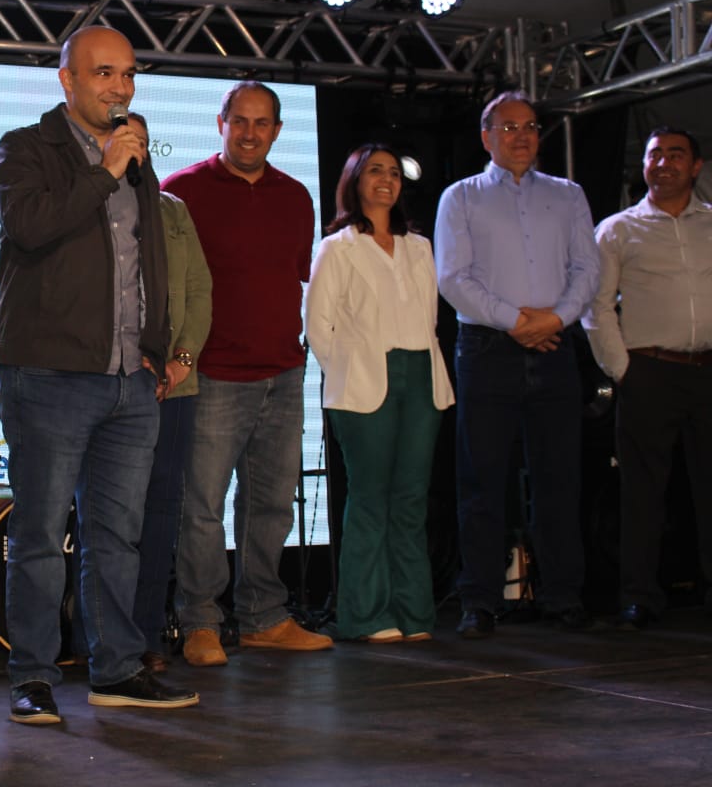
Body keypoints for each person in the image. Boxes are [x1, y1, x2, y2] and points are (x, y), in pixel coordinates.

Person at [0, 26, 198, 725]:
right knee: (41, 535)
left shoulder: (135, 156)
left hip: (129, 378)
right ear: (68, 80)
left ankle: (117, 669)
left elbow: (149, 259)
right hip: (49, 374)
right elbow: (30, 226)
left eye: (129, 74)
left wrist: (158, 346)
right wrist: (105, 171)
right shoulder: (26, 149)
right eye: (104, 73)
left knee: (118, 538)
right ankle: (32, 677)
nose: (120, 87)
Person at [163, 81, 334, 667]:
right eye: (240, 121)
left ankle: (263, 617)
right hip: (213, 375)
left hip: (282, 374)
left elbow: (293, 278)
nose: (250, 133)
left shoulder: (296, 196)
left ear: (278, 131)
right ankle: (200, 621)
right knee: (201, 508)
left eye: (262, 123)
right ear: (221, 123)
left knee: (272, 506)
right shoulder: (181, 191)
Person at [435, 90, 600, 639]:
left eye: (529, 126)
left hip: (555, 349)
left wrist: (555, 320)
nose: (521, 136)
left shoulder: (568, 194)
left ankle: (563, 596)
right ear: (486, 137)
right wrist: (516, 321)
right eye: (508, 127)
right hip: (487, 351)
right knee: (482, 481)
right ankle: (479, 600)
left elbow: (587, 269)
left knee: (559, 479)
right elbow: (453, 278)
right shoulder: (461, 197)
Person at [304, 144, 454, 643]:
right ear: (355, 180)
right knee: (370, 498)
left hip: (422, 376)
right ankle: (367, 614)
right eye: (375, 171)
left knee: (410, 499)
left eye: (393, 172)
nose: (386, 179)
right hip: (365, 381)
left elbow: (431, 318)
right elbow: (318, 325)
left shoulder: (420, 247)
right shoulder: (337, 247)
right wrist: (350, 371)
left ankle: (414, 613)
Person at [583, 127, 712, 630]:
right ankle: (640, 596)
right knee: (642, 491)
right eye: (655, 155)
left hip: (708, 369)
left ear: (695, 166)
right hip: (649, 371)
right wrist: (623, 369)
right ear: (644, 166)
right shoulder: (618, 229)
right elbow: (596, 306)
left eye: (676, 155)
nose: (664, 163)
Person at [125, 113, 212, 672]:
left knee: (161, 512)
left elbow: (200, 289)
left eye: (140, 140)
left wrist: (179, 362)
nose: (134, 149)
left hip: (175, 388)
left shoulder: (173, 210)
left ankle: (147, 635)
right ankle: (98, 638)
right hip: (112, 382)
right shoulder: (90, 205)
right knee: (110, 516)